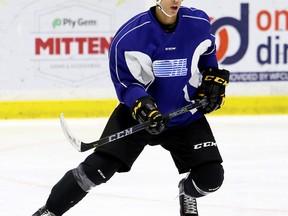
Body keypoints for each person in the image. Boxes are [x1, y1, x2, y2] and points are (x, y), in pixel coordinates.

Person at [32, 0, 230, 215]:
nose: (176, 0)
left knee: (211, 178)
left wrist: (212, 79)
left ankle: (188, 193)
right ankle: (50, 211)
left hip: (185, 115)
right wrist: (145, 108)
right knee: (96, 172)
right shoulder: (130, 36)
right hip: (139, 117)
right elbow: (126, 84)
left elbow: (207, 52)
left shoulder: (197, 22)